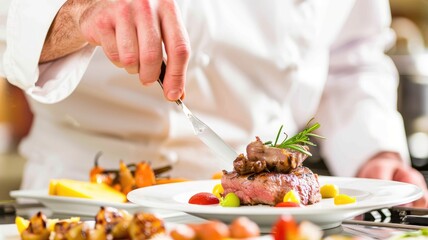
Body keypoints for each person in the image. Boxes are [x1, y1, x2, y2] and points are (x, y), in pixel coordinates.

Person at [2, 0, 428, 207]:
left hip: (263, 210)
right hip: (86, 199)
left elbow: (350, 56)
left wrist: (374, 151)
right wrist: (79, 13)